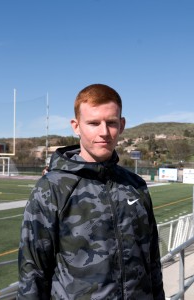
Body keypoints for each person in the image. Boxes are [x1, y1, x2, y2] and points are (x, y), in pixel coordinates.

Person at [17, 84, 165, 299]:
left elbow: (153, 262)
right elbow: (33, 274)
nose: (104, 132)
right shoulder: (52, 188)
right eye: (93, 123)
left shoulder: (136, 185)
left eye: (111, 123)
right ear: (76, 126)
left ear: (122, 125)